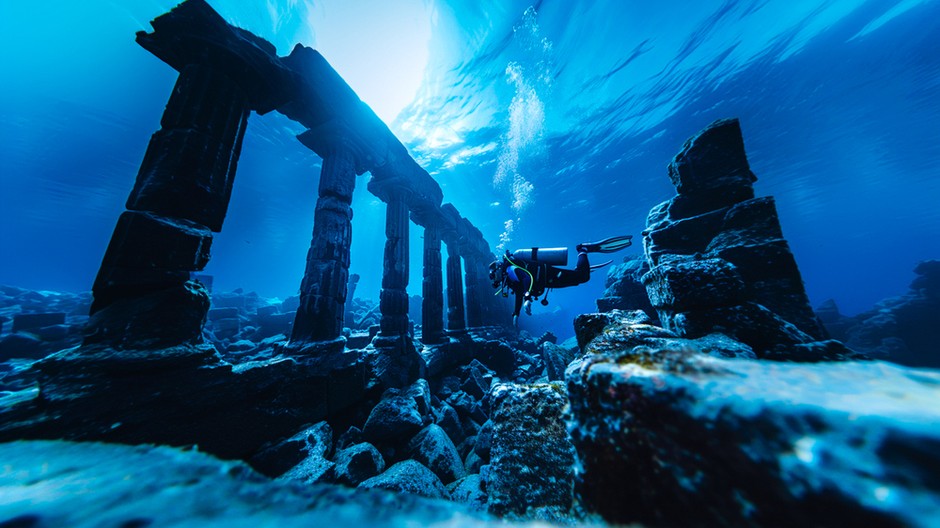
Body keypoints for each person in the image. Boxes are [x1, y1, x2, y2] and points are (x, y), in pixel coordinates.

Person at [489, 235, 633, 327]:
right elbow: (519, 293)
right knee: (579, 277)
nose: (493, 279)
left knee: (582, 277)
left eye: (492, 275)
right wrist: (516, 314)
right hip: (547, 279)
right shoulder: (508, 279)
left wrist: (527, 298)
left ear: (497, 269)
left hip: (548, 276)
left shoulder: (509, 270)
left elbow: (526, 277)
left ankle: (583, 250)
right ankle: (581, 265)